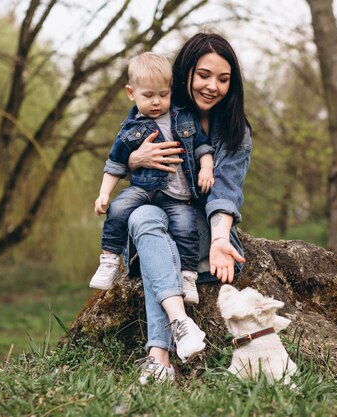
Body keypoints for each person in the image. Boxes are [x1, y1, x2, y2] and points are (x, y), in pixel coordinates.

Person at [123, 33, 252, 384]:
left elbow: (226, 191)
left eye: (223, 79)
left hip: (201, 230)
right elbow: (122, 155)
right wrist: (135, 159)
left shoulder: (234, 131)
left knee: (156, 251)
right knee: (141, 217)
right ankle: (179, 327)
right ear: (186, 74)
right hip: (159, 213)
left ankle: (158, 356)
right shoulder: (159, 110)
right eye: (204, 75)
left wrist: (220, 239)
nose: (212, 86)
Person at [89, 52, 215, 305]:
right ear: (131, 92)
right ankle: (110, 259)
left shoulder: (184, 118)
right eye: (148, 95)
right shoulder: (130, 130)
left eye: (163, 95)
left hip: (179, 195)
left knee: (186, 229)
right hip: (145, 190)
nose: (157, 102)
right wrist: (104, 193)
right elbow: (114, 164)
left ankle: (188, 277)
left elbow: (202, 147)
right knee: (119, 208)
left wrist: (206, 168)